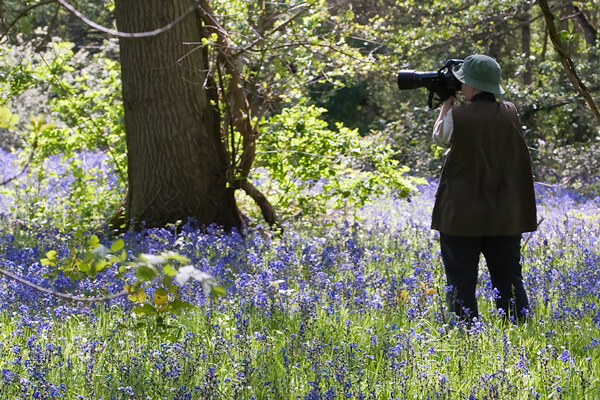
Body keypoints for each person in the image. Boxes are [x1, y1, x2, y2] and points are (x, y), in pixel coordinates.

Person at [431, 54, 537, 323]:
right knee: (509, 278)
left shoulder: (458, 115)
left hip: (462, 216)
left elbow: (440, 138)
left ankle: (466, 337)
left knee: (460, 281)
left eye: (464, 82)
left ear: (474, 87)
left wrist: (446, 105)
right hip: (504, 215)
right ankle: (518, 329)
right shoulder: (509, 112)